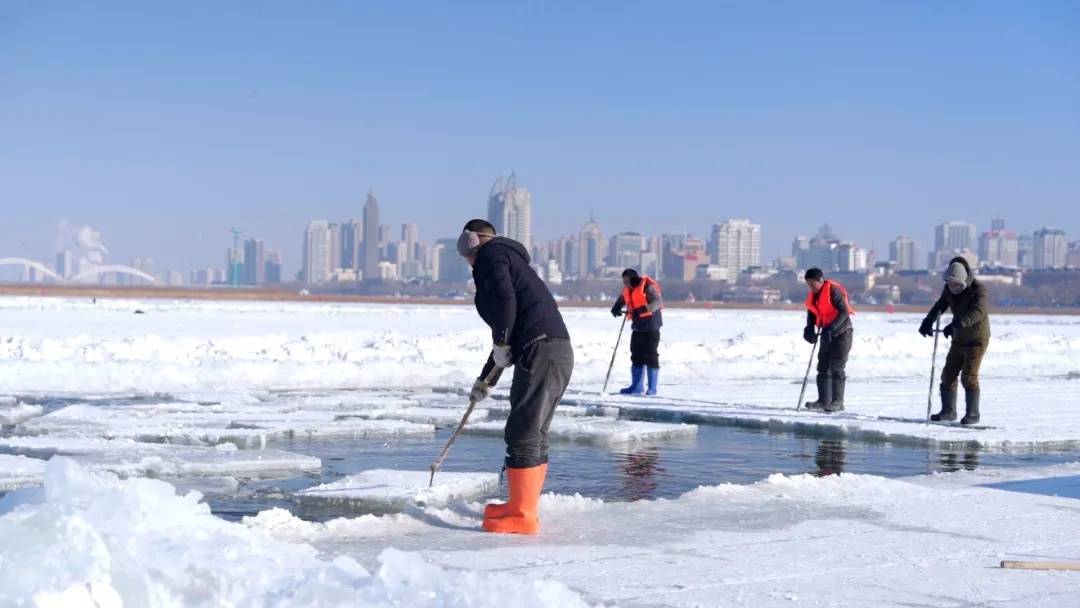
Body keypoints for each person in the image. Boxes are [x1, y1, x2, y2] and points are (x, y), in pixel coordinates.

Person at [456, 219, 574, 534]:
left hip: (541, 351)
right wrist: (485, 381)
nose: (466, 259)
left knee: (522, 433)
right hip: (554, 350)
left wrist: (502, 341)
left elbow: (506, 309)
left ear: (472, 242)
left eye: (463, 249)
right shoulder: (510, 259)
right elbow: (506, 333)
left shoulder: (491, 256)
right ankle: (523, 508)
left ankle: (522, 515)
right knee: (534, 433)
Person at [919, 256, 990, 425]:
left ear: (963, 281)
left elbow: (978, 312)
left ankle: (973, 414)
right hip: (959, 338)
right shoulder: (948, 289)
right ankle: (948, 411)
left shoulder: (978, 290)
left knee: (969, 376)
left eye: (955, 284)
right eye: (949, 284)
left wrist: (956, 324)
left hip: (976, 339)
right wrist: (928, 321)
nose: (952, 287)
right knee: (948, 374)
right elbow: (940, 306)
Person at [802, 267, 854, 412]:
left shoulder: (833, 291)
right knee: (823, 366)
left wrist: (831, 328)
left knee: (837, 367)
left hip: (842, 333)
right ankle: (824, 401)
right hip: (826, 333)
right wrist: (808, 328)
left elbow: (844, 312)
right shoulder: (814, 295)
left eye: (812, 283)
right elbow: (812, 313)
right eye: (808, 284)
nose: (811, 287)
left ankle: (838, 402)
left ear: (820, 281)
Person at [609, 268, 663, 395]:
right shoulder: (628, 289)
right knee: (636, 355)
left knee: (650, 355)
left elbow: (658, 302)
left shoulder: (647, 287)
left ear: (633, 278)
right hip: (638, 326)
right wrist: (616, 308)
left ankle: (652, 388)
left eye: (626, 280)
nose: (625, 283)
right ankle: (637, 386)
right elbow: (622, 299)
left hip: (651, 326)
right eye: (623, 281)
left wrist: (645, 309)